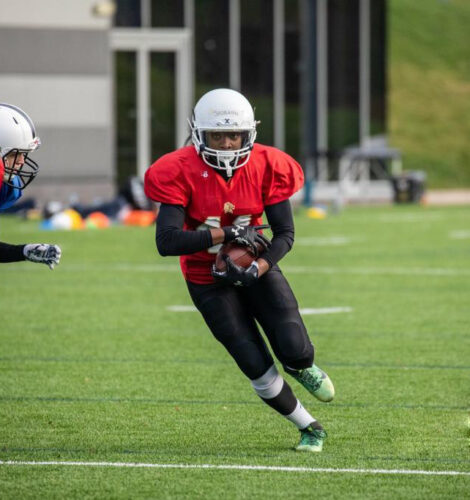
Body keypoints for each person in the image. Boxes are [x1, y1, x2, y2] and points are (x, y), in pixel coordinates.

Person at [144, 88, 334, 452]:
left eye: (235, 135)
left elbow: (285, 234)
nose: (228, 144)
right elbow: (166, 242)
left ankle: (300, 366)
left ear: (249, 134)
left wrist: (260, 266)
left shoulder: (269, 164)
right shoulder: (176, 169)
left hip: (255, 266)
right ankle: (309, 427)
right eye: (218, 135)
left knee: (294, 346)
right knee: (252, 361)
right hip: (206, 277)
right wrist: (226, 232)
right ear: (199, 134)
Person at [0, 103, 61, 268]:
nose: (21, 161)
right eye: (14, 154)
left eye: (23, 154)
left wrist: (23, 251)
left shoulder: (5, 187)